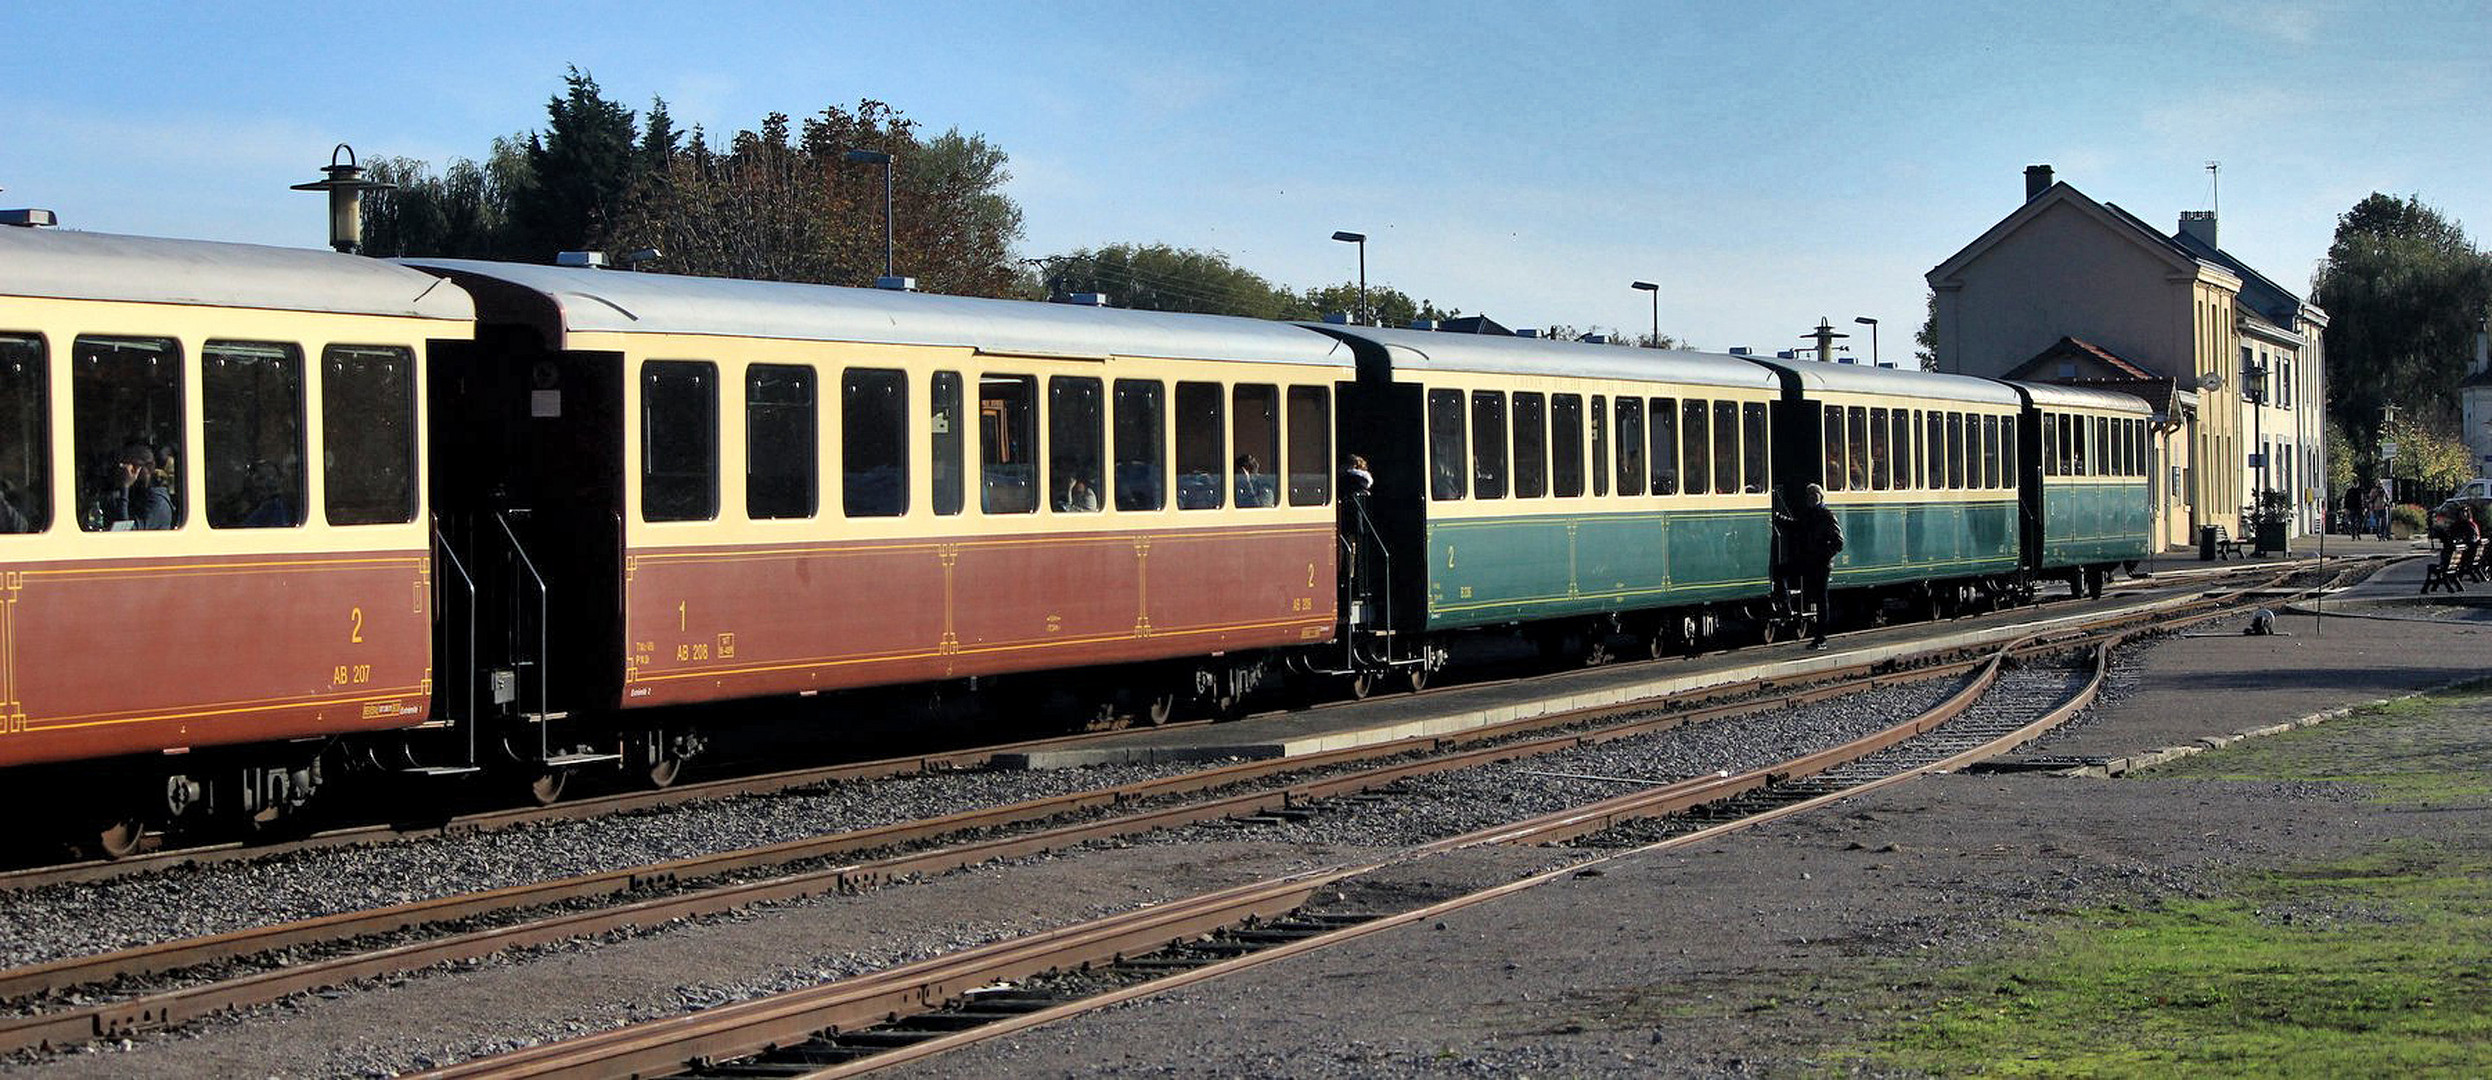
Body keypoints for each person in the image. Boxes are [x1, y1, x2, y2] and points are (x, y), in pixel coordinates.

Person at [1793, 483, 1844, 649]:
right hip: (1811, 562)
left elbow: (1839, 542)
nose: (1811, 499)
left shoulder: (1827, 515)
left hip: (1821, 564)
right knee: (1818, 598)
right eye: (1809, 496)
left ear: (1820, 497)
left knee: (1821, 599)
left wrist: (1823, 556)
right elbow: (1797, 526)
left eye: (1814, 496)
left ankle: (1821, 637)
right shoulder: (1809, 515)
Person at [95, 442, 173, 530]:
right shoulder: (135, 494)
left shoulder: (158, 502)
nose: (126, 471)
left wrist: (125, 485)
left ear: (149, 467)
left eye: (133, 466)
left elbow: (124, 531)